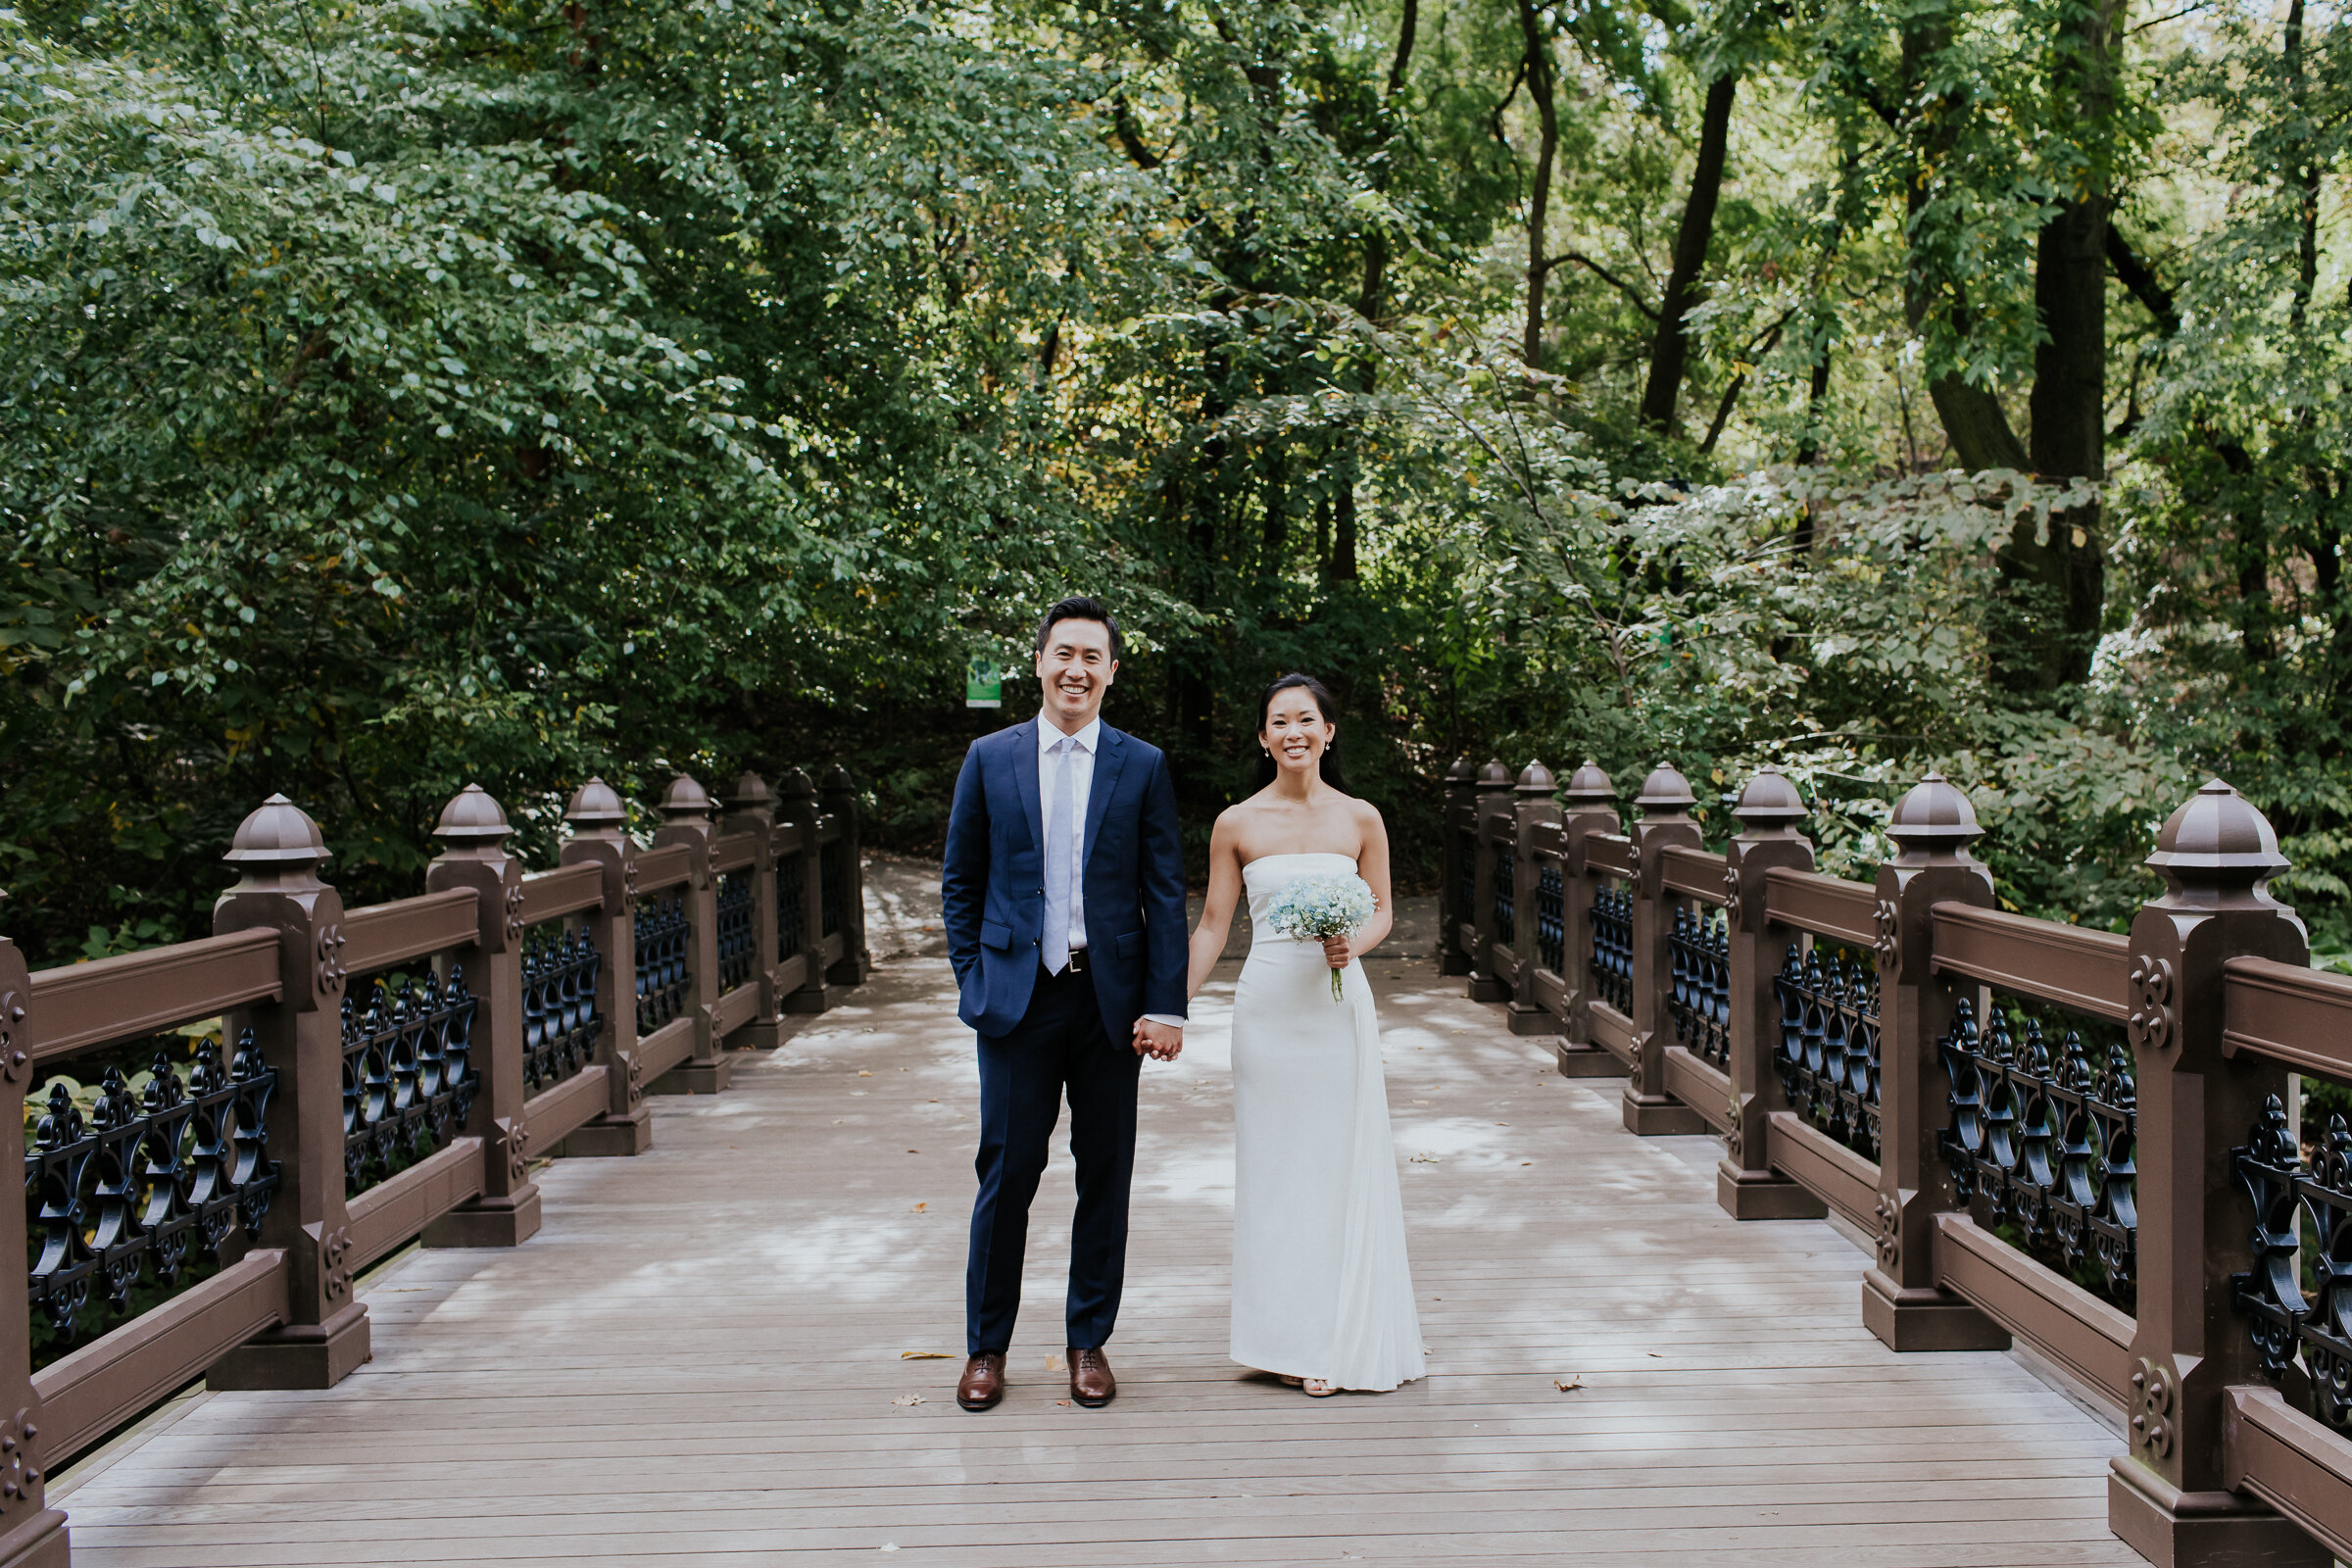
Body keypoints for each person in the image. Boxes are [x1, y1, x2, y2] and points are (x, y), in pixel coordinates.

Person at [941, 597, 1189, 1411]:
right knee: (1006, 1173)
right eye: (1063, 654)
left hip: (1111, 1003)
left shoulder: (1142, 764)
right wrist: (974, 976)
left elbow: (1163, 891)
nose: (1076, 669)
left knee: (1104, 1173)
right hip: (1017, 999)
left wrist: (1166, 1004)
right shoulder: (989, 757)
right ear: (1039, 662)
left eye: (1093, 656)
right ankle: (986, 1348)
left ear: (1112, 671)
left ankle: (1089, 1341)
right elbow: (961, 883)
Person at [1173, 672, 1425, 1396]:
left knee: (1339, 1165)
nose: (1293, 732)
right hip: (1268, 1012)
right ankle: (1282, 1339)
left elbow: (1381, 909)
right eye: (1278, 721)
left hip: (1338, 1009)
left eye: (1306, 719)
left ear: (1328, 732)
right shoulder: (1237, 823)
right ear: (1263, 737)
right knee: (1277, 1170)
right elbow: (1215, 925)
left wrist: (1357, 941)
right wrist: (1171, 1007)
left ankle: (1340, 1331)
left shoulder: (1362, 818)